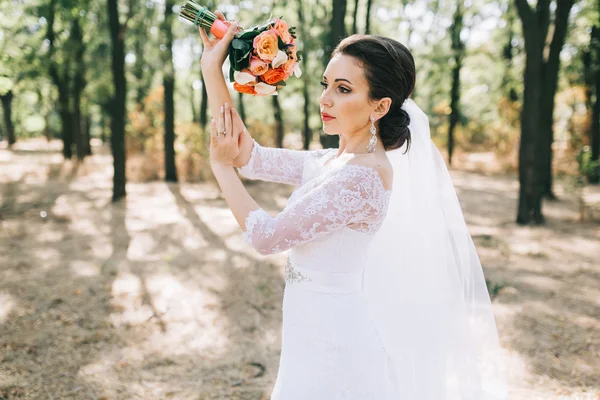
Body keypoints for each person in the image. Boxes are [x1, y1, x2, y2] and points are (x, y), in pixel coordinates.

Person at [199, 11, 507, 400]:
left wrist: (218, 166)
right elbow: (250, 156)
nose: (325, 99)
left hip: (336, 345)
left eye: (344, 89)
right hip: (307, 330)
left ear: (379, 107)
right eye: (327, 84)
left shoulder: (363, 177)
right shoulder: (332, 161)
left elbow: (267, 237)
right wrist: (213, 69)